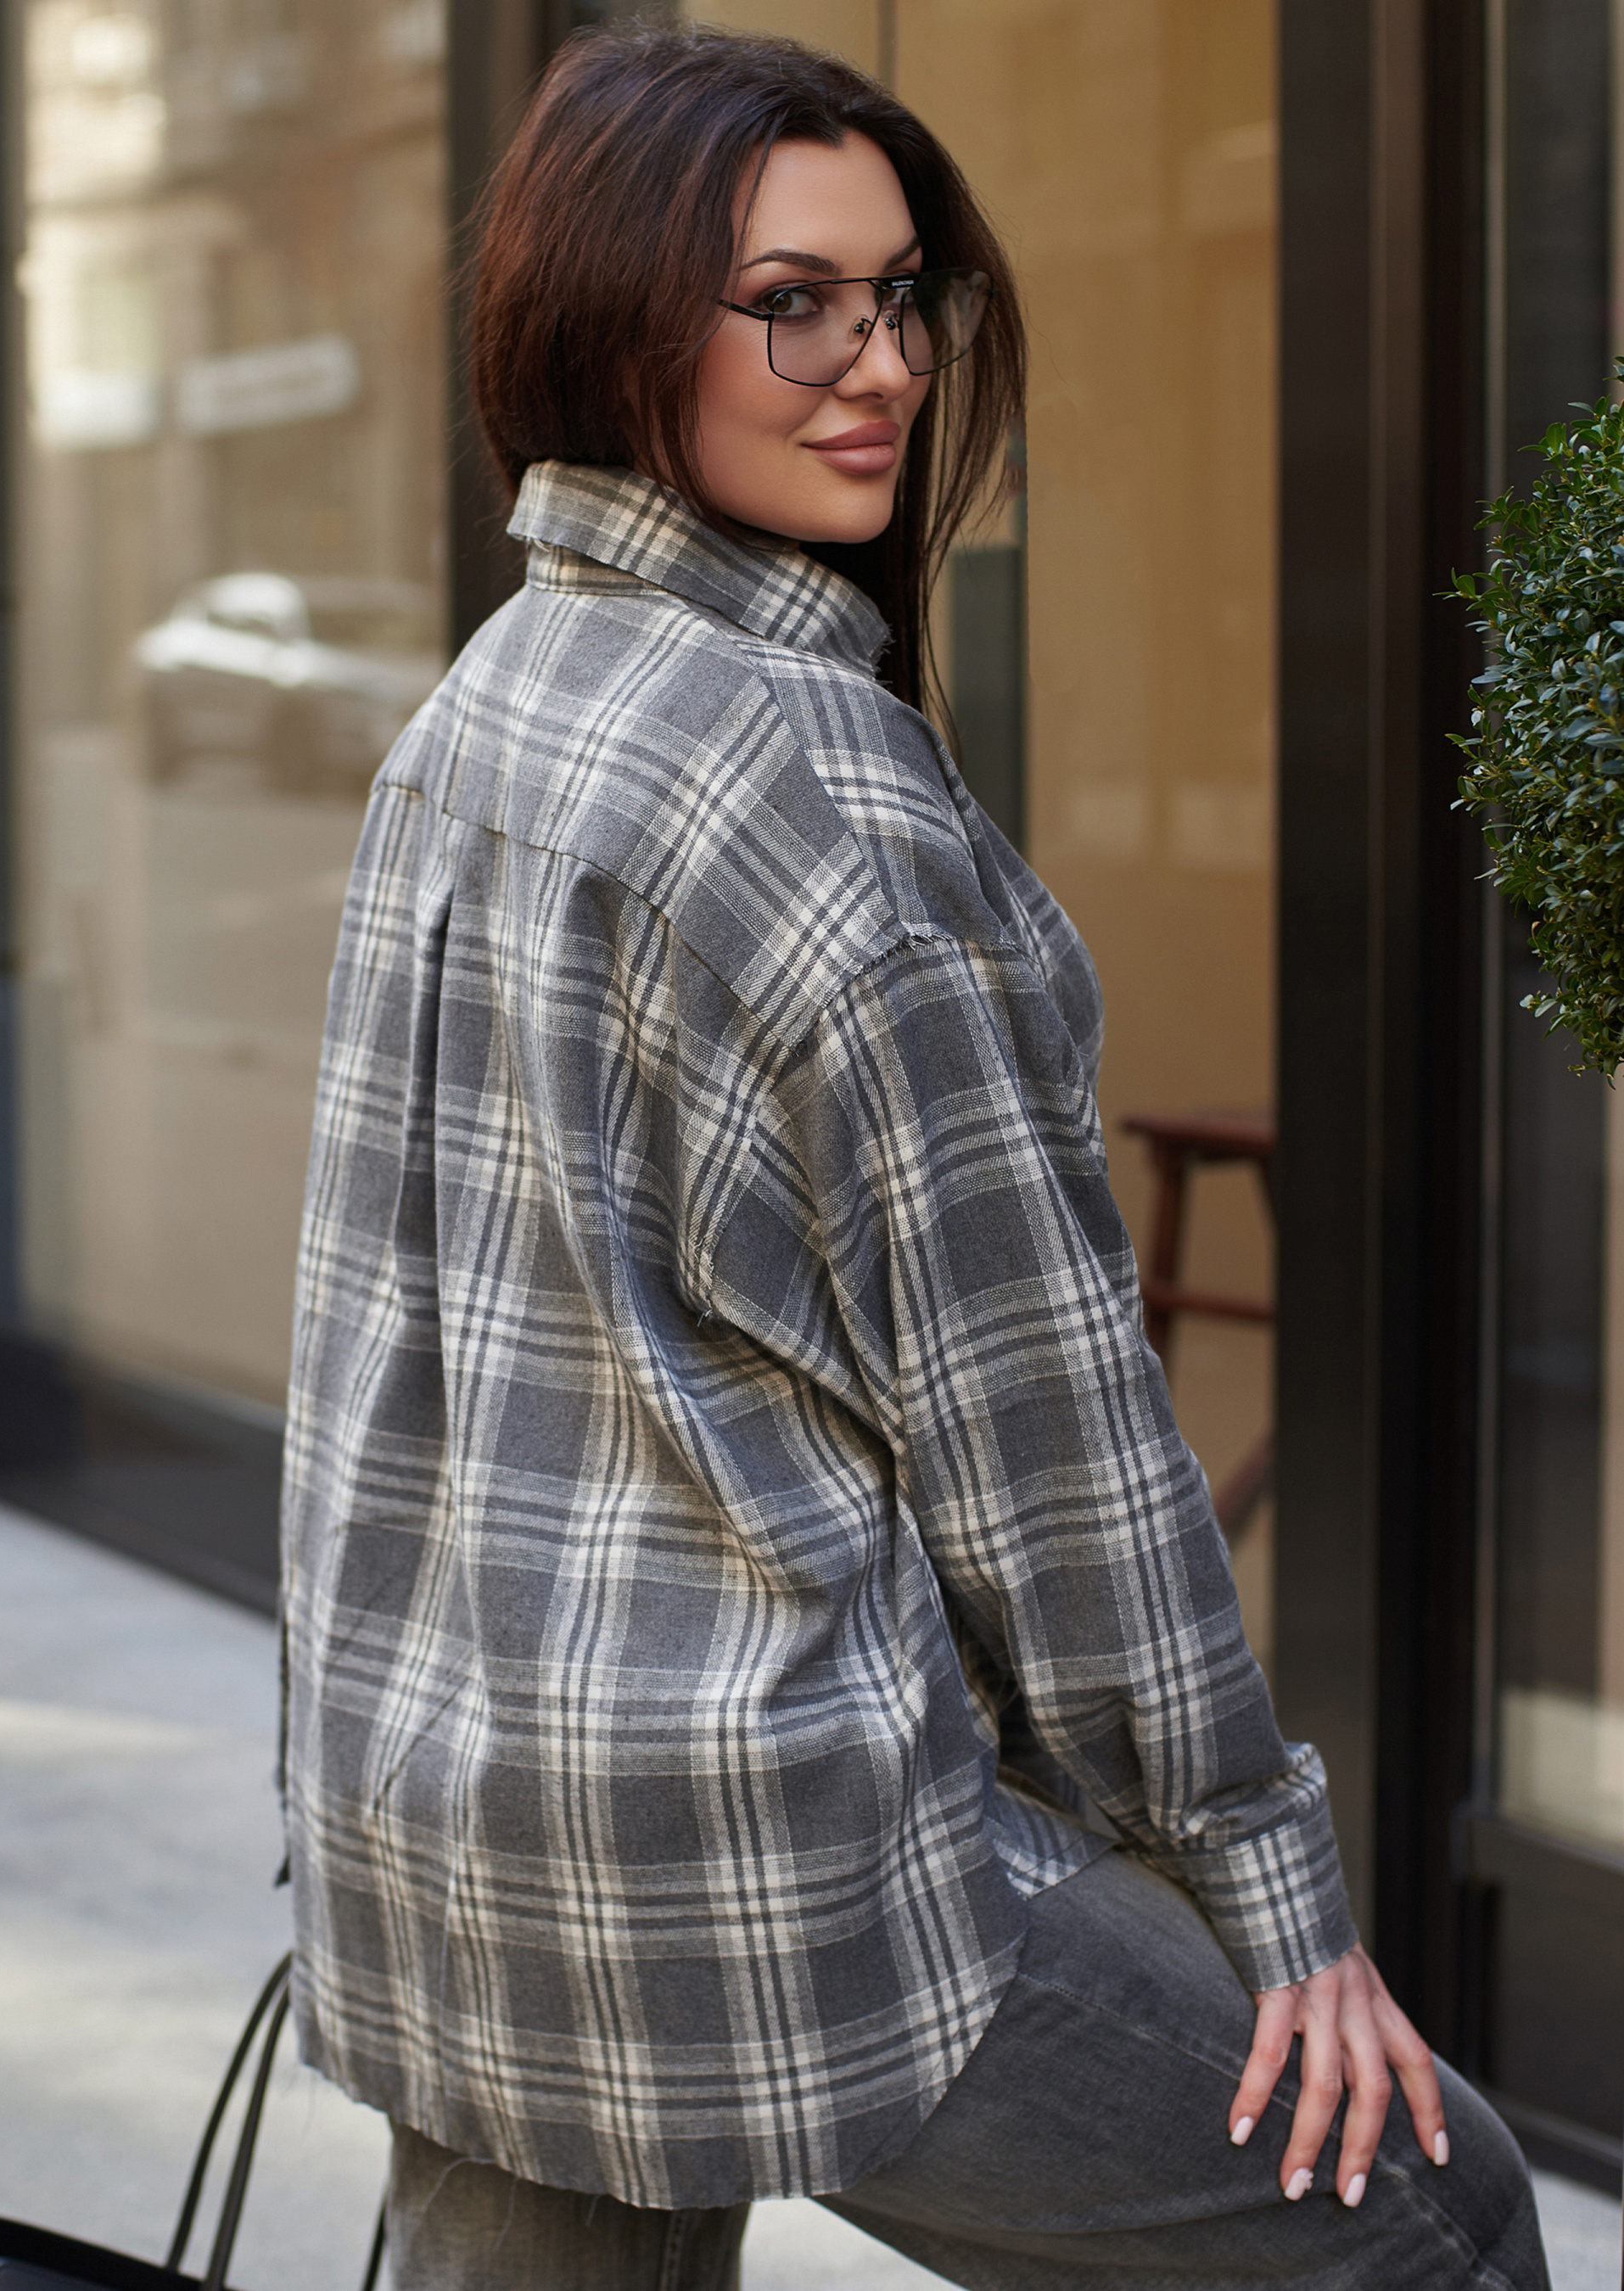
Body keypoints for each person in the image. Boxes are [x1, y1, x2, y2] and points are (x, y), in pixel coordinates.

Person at [279, 23, 1548, 2288]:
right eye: (792, 304)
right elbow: (1045, 1437)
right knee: (1432, 2215)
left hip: (446, 1822)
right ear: (610, 319)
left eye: (899, 297)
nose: (877, 365)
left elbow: (372, 1349)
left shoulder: (476, 712)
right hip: (758, 1850)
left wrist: (343, 1771)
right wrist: (1269, 1888)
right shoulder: (812, 786)